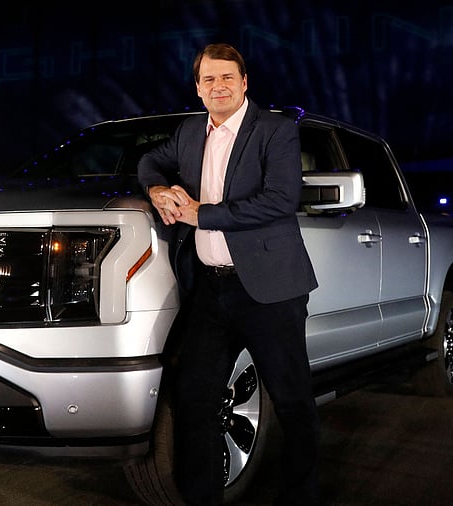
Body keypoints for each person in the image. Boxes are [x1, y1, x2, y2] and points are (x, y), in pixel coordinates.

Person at [138, 43, 321, 506]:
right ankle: (202, 499)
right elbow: (149, 162)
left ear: (244, 83)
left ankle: (299, 496)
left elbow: (281, 199)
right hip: (208, 290)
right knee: (195, 400)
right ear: (198, 89)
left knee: (292, 400)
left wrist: (203, 215)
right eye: (208, 80)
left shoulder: (275, 130)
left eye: (226, 78)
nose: (218, 86)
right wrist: (158, 188)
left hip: (269, 290)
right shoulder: (188, 132)